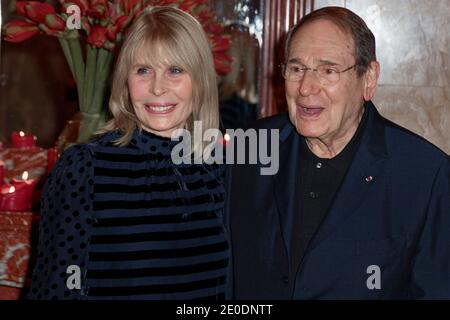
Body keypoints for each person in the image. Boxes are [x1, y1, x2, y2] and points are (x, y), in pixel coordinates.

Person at [226, 6, 450, 299]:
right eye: (296, 69)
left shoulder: (424, 174)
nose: (306, 88)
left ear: (368, 79)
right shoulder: (247, 150)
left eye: (328, 70)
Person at [28, 6, 229, 300]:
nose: (158, 88)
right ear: (125, 80)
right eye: (143, 70)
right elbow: (56, 289)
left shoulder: (220, 168)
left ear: (200, 82)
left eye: (175, 70)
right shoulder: (85, 167)